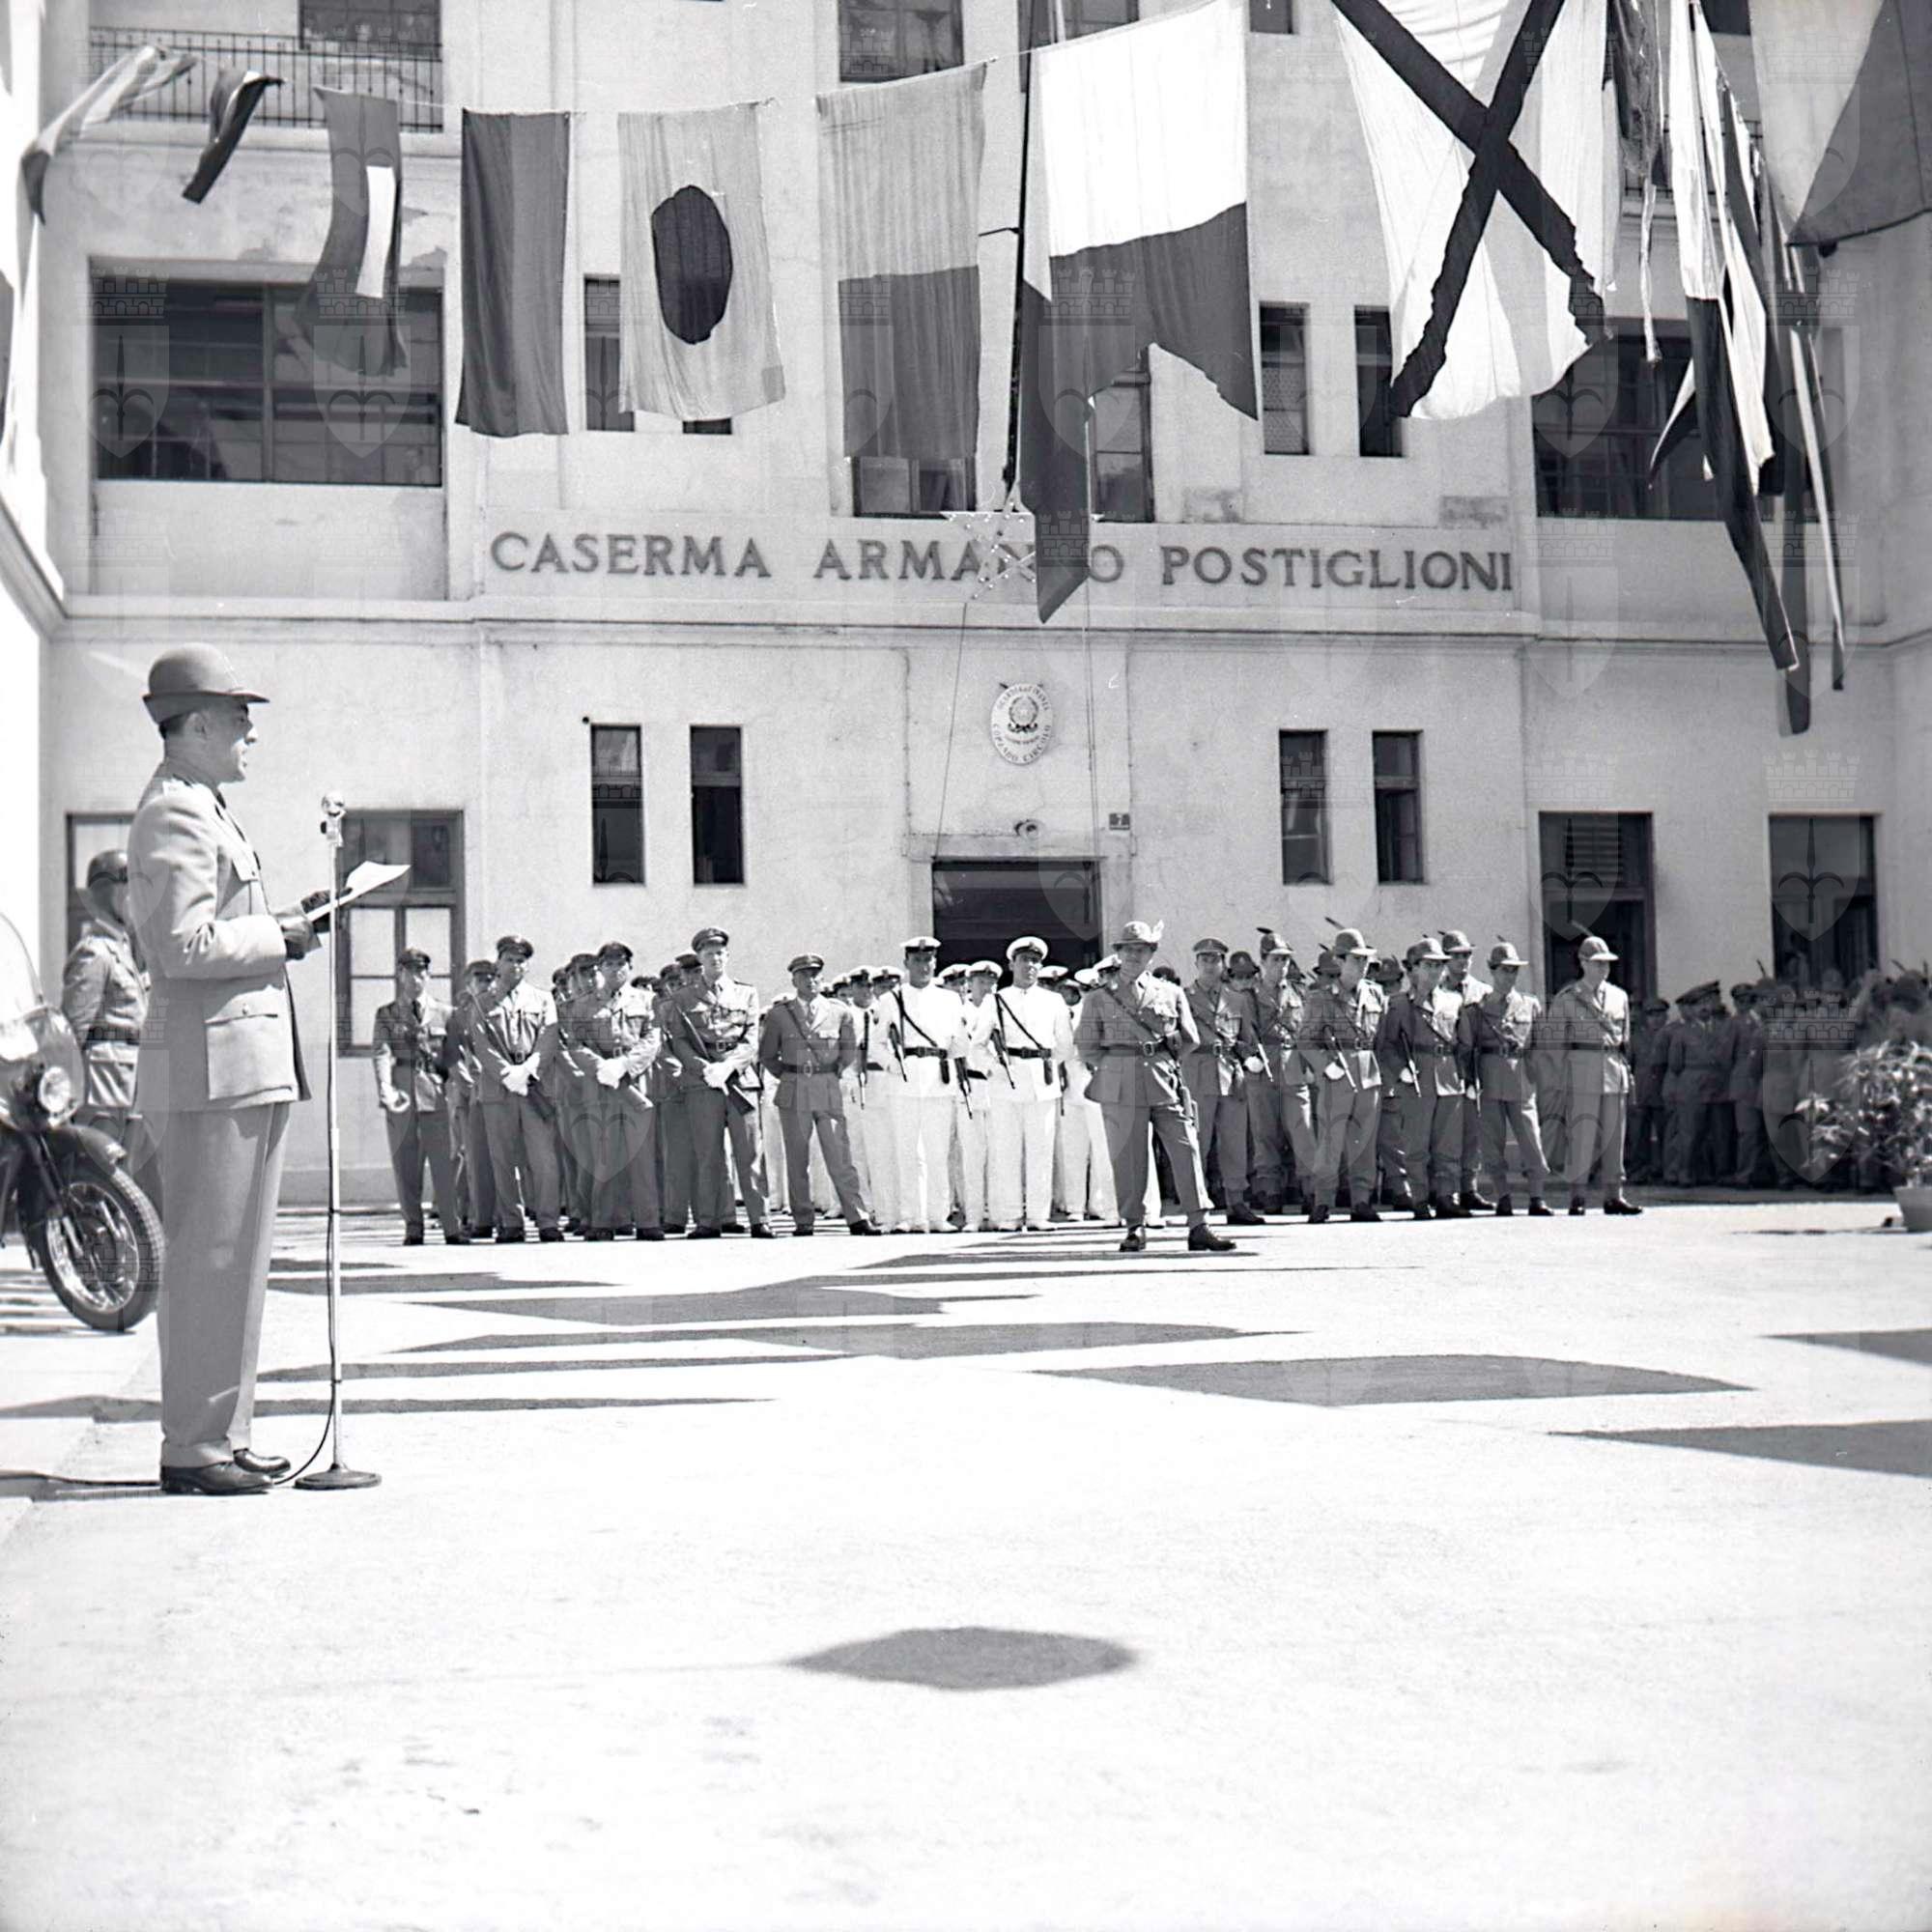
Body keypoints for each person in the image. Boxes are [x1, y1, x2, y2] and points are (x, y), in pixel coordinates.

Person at [127, 644, 318, 1496]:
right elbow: (182, 946)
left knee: (237, 1263)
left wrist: (286, 923)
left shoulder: (203, 807)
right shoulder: (174, 812)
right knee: (208, 1261)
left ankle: (223, 1435)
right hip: (210, 1072)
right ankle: (192, 1447)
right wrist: (283, 935)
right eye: (240, 716)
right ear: (196, 724)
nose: (251, 732)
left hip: (240, 1065)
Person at [1073, 921, 1235, 1256]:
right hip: (1120, 1083)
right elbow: (1087, 1047)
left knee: (1186, 1148)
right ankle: (1135, 1225)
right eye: (1129, 949)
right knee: (1129, 1157)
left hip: (1164, 1079)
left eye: (1142, 950)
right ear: (1119, 954)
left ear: (1151, 954)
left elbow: (1190, 1039)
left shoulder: (1169, 992)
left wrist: (1162, 1058)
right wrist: (1117, 1066)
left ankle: (1199, 1224)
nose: (1135, 955)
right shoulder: (1099, 998)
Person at [60, 846, 161, 1209]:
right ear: (108, 891)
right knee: (97, 1178)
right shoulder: (95, 953)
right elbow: (74, 1028)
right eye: (130, 885)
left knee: (126, 1186)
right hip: (101, 1087)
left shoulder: (124, 951)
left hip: (129, 1084)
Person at [759, 953, 879, 1236]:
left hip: (826, 1087)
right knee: (797, 1158)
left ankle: (857, 1216)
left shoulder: (839, 1012)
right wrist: (791, 1074)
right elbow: (768, 1055)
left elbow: (848, 1051)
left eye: (815, 974)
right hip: (794, 1088)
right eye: (803, 975)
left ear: (822, 978)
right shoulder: (779, 1015)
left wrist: (829, 1073)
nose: (810, 980)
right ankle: (803, 1219)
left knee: (840, 1155)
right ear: (793, 980)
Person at [668, 927, 772, 1238]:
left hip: (740, 1080)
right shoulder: (683, 997)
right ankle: (708, 1221)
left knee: (750, 1154)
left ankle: (760, 1219)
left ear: (727, 956)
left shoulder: (746, 993)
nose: (716, 958)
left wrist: (728, 1066)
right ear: (699, 957)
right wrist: (704, 1069)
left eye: (720, 952)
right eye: (709, 953)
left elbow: (751, 1039)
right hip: (703, 1084)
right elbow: (679, 1041)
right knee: (708, 1155)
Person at [370, 947, 465, 1245]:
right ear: (400, 975)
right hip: (401, 1096)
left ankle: (452, 1227)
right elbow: (381, 1053)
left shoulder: (447, 1014)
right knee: (406, 1165)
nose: (415, 978)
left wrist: (459, 1091)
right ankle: (413, 1227)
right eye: (409, 972)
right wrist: (385, 1087)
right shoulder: (387, 1014)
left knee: (444, 1164)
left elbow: (453, 1058)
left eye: (421, 972)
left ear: (429, 975)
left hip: (435, 1095)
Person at [874, 937, 969, 1234]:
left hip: (938, 1078)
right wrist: (893, 1065)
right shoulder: (891, 999)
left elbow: (960, 1042)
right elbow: (877, 1043)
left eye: (928, 960)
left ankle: (938, 1215)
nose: (923, 966)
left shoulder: (949, 999)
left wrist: (950, 1066)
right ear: (906, 963)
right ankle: (910, 1216)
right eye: (917, 960)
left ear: (935, 963)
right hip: (904, 1078)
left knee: (938, 1151)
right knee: (907, 1151)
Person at [474, 934, 563, 1242]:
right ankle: (511, 1222)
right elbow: (481, 1045)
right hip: (499, 1090)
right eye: (509, 959)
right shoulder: (482, 1002)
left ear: (528, 966)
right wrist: (507, 1074)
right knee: (502, 1159)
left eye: (521, 960)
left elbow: (549, 1039)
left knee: (544, 1159)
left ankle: (548, 1222)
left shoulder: (543, 1000)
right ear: (498, 963)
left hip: (534, 1087)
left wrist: (527, 1070)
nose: (515, 965)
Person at [1547, 935, 1641, 1214]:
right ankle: (1578, 1195)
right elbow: (1553, 1044)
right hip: (1581, 1070)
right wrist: (1561, 1078)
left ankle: (1614, 1194)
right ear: (1583, 963)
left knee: (1615, 1136)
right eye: (1598, 963)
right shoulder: (1567, 998)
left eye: (1607, 963)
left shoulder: (1619, 996)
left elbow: (1625, 1040)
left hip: (1613, 1068)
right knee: (1582, 1135)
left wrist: (1626, 1071)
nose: (1604, 968)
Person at [1297, 927, 1386, 1223]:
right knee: (1330, 1141)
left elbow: (1383, 1038)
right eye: (1355, 959)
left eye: (1365, 960)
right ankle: (1323, 1200)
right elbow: (1306, 1040)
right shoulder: (1321, 998)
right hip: (1338, 1074)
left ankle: (1361, 1200)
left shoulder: (1375, 994)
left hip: (1368, 1073)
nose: (1362, 965)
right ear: (1339, 960)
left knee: (1364, 1141)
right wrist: (1325, 1066)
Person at [986, 936, 1074, 1232]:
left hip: (1041, 1081)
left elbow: (1064, 1045)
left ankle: (1038, 1215)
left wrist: (1046, 1065)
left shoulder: (1053, 1001)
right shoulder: (996, 1000)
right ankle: (1010, 1215)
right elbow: (977, 1045)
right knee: (1007, 1151)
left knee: (1041, 1150)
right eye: (1024, 960)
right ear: (1012, 964)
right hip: (1006, 1081)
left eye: (1035, 961)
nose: (1030, 966)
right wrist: (996, 1068)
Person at [1461, 940, 1552, 1214]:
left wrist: (1537, 1075)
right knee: (1492, 1143)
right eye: (1504, 970)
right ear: (1492, 970)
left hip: (1521, 1078)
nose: (1510, 976)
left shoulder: (1530, 1005)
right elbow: (1468, 1050)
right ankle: (1503, 1197)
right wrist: (1470, 1082)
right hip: (1489, 1078)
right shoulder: (1476, 1010)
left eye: (1514, 970)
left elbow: (1540, 1045)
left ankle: (1537, 1197)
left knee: (1531, 1141)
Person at [582, 940, 665, 1239]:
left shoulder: (647, 1000)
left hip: (635, 1083)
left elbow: (652, 1039)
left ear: (630, 967)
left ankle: (648, 1221)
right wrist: (601, 1066)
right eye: (609, 964)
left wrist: (625, 1065)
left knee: (642, 1154)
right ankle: (603, 1222)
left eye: (621, 964)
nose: (615, 969)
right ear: (600, 968)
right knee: (605, 1154)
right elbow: (575, 1044)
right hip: (601, 1084)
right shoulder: (584, 1003)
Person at [1377, 936, 1464, 1219]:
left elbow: (1463, 1043)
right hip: (1416, 1077)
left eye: (1439, 965)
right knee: (1416, 1144)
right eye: (1428, 965)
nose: (1434, 971)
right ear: (1413, 968)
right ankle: (1420, 1198)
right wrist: (1400, 1070)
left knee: (1448, 1144)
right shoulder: (1399, 1005)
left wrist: (1465, 1077)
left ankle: (1447, 1197)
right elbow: (1387, 1046)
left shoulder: (1454, 1001)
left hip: (1448, 1077)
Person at [1182, 937, 1266, 1224]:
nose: (1210, 965)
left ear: (1222, 964)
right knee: (1197, 1143)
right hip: (1197, 1074)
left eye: (1215, 959)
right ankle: (1196, 1205)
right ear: (1196, 963)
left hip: (1230, 1076)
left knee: (1234, 1143)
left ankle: (1236, 1202)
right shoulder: (1184, 997)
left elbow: (1247, 1040)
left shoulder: (1237, 999)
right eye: (1204, 959)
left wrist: (1249, 1056)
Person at [1248, 930, 1315, 1216]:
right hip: (1263, 1067)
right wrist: (1250, 1057)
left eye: (1285, 959)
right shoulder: (1250, 995)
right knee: (1265, 1133)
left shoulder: (1300, 992)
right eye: (1275, 959)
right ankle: (1270, 1190)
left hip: (1293, 1065)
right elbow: (1244, 1031)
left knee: (1303, 1132)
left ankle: (1311, 1190)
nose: (1281, 965)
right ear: (1263, 961)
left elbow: (1308, 1031)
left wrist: (1310, 1065)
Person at [1436, 930, 1493, 1211]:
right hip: (1446, 1068)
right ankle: (1445, 1190)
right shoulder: (1438, 992)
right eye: (1457, 956)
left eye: (1467, 955)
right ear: (1446, 960)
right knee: (1446, 1133)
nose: (1463, 961)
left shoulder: (1483, 993)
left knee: (1473, 1131)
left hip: (1476, 1069)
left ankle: (1469, 1187)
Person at [444, 959, 498, 1236]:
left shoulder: (499, 1011)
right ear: (469, 983)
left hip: (497, 1093)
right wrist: (469, 1085)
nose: (486, 984)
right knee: (471, 1157)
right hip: (468, 1095)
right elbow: (453, 1056)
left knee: (497, 1157)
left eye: (490, 979)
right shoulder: (459, 1016)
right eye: (480, 979)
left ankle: (495, 1214)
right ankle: (470, 1215)